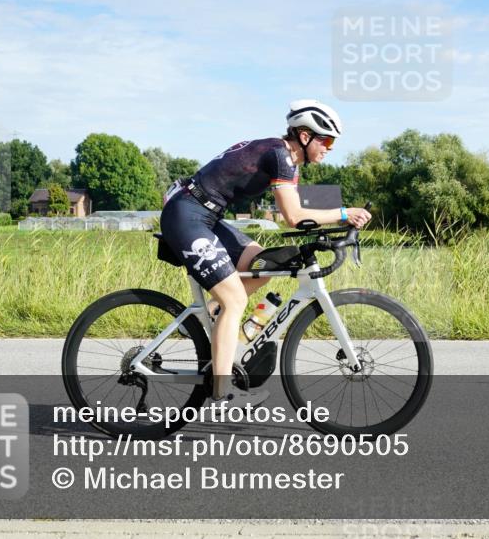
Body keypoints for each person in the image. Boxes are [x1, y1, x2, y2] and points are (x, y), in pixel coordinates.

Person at [159, 100, 372, 408]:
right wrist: (344, 214)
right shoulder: (280, 155)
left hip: (205, 214)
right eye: (325, 139)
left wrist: (328, 229)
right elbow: (293, 217)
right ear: (304, 136)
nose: (330, 147)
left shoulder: (286, 159)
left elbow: (297, 213)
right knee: (235, 299)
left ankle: (211, 315)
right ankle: (222, 392)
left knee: (260, 262)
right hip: (186, 214)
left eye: (332, 141)